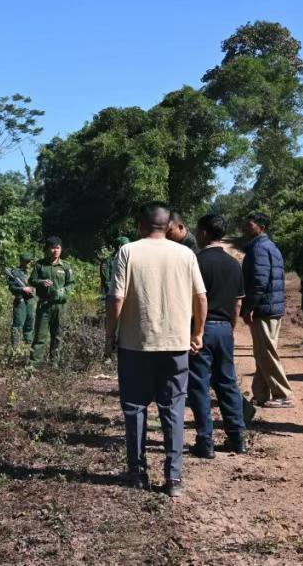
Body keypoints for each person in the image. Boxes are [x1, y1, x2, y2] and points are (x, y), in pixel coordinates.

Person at [105, 202, 207, 497]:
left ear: (141, 225)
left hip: (135, 345)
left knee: (135, 408)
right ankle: (173, 478)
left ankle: (137, 473)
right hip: (175, 345)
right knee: (173, 409)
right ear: (167, 225)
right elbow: (201, 297)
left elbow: (116, 298)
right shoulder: (186, 254)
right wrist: (197, 333)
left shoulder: (128, 252)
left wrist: (110, 334)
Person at [185, 214, 248, 458]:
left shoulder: (195, 261)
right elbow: (238, 303)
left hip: (199, 330)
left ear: (203, 233)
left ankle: (205, 441)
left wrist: (194, 332)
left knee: (199, 385)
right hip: (224, 329)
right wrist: (230, 328)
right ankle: (237, 438)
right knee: (227, 382)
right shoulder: (234, 264)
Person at [241, 212, 294, 408]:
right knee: (263, 352)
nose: (245, 228)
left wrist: (249, 307)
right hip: (271, 306)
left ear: (262, 228)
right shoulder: (269, 246)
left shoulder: (259, 249)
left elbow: (259, 281)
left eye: (250, 225)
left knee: (266, 353)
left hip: (264, 308)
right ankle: (260, 394)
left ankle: (283, 394)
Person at [29, 237, 74, 366]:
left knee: (57, 336)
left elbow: (71, 283)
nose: (55, 250)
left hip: (60, 306)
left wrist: (63, 291)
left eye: (58, 248)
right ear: (48, 249)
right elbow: (31, 280)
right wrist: (41, 282)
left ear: (61, 249)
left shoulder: (65, 266)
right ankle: (33, 365)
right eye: (53, 248)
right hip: (44, 305)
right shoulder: (40, 265)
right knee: (40, 336)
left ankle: (54, 364)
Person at [6, 254, 37, 348]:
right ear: (21, 261)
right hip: (20, 301)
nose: (28, 263)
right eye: (26, 261)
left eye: (29, 261)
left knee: (30, 324)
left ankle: (28, 346)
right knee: (18, 325)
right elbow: (12, 287)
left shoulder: (33, 272)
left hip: (30, 301)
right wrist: (23, 289)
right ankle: (15, 349)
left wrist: (34, 289)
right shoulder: (15, 273)